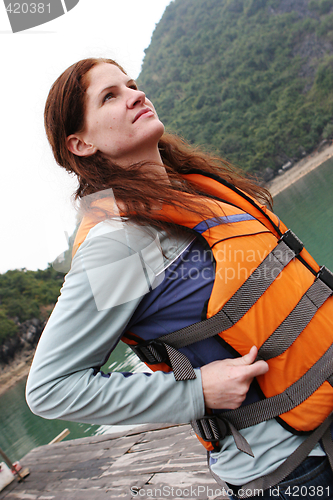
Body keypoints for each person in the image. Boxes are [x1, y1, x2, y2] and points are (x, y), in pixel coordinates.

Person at [26, 58, 333, 499]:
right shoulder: (118, 245)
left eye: (131, 85)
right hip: (290, 471)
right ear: (81, 143)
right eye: (110, 96)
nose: (136, 95)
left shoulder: (198, 192)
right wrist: (196, 392)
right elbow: (52, 389)